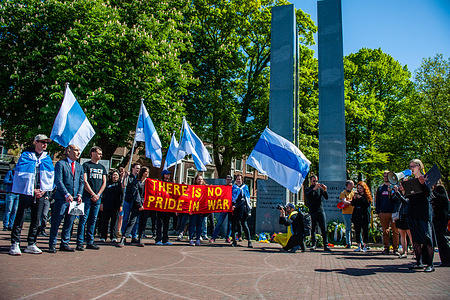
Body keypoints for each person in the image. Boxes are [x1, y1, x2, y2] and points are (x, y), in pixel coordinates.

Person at [9, 134, 54, 255]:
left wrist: (43, 190)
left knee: (36, 219)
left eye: (46, 143)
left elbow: (50, 176)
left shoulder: (47, 158)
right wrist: (32, 189)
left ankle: (31, 243)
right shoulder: (25, 156)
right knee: (20, 217)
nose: (44, 144)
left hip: (41, 193)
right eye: (42, 142)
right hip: (26, 192)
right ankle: (15, 243)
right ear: (35, 142)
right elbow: (20, 175)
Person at [395, 159, 435, 272]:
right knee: (416, 238)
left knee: (427, 237)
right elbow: (408, 198)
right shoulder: (411, 180)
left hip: (423, 212)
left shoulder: (425, 178)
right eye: (410, 166)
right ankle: (419, 262)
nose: (411, 168)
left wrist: (423, 184)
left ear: (419, 166)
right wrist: (402, 189)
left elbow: (428, 195)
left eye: (413, 166)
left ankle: (430, 264)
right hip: (412, 212)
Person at [48, 145, 84, 253]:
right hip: (62, 199)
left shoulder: (79, 166)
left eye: (79, 150)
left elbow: (81, 182)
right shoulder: (60, 164)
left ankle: (65, 243)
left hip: (74, 200)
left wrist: (79, 194)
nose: (78, 152)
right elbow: (58, 181)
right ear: (68, 151)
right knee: (57, 221)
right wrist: (66, 194)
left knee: (70, 222)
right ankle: (52, 244)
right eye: (76, 150)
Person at [76, 146, 106, 251]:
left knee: (93, 220)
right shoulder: (86, 165)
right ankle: (79, 242)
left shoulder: (102, 167)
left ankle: (90, 241)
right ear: (92, 153)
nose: (100, 155)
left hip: (98, 198)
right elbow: (84, 181)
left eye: (101, 153)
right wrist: (93, 194)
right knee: (83, 219)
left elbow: (104, 182)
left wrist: (98, 195)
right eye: (98, 153)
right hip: (87, 197)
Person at [117, 167, 148, 247]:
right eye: (146, 172)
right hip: (137, 205)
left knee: (142, 222)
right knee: (132, 221)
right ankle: (123, 238)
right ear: (143, 173)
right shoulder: (137, 182)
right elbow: (136, 194)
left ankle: (139, 238)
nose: (147, 173)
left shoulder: (147, 183)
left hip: (146, 205)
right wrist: (139, 204)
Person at [375, 171, 399, 255]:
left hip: (393, 212)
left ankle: (395, 249)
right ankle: (386, 247)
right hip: (383, 212)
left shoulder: (395, 187)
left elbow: (397, 199)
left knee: (395, 231)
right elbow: (377, 200)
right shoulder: (380, 188)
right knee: (385, 231)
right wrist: (378, 211)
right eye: (384, 176)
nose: (385, 177)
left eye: (387, 176)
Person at [305, 175, 331, 251]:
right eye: (314, 181)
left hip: (320, 210)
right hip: (312, 211)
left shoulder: (320, 189)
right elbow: (308, 196)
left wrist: (325, 190)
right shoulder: (308, 189)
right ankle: (313, 244)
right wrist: (313, 189)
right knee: (312, 228)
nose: (315, 183)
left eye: (316, 181)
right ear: (310, 181)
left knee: (323, 228)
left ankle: (325, 245)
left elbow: (326, 197)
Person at [99, 170, 123, 243]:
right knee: (104, 221)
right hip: (106, 205)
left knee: (114, 222)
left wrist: (121, 205)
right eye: (114, 175)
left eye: (116, 175)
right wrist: (101, 203)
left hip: (115, 206)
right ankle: (103, 236)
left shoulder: (120, 185)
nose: (115, 177)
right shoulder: (107, 184)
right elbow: (103, 194)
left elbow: (122, 196)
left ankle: (113, 236)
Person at [431, 180, 450, 267]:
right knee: (439, 239)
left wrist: (433, 192)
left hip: (441, 217)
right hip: (437, 217)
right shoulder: (436, 189)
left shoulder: (440, 188)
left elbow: (443, 199)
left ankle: (447, 259)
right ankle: (444, 260)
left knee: (442, 238)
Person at [231, 174, 253, 248]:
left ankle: (249, 241)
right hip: (235, 209)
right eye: (237, 179)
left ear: (242, 180)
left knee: (244, 224)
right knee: (234, 225)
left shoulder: (245, 187)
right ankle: (234, 240)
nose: (238, 180)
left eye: (239, 179)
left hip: (243, 209)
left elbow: (244, 199)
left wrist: (236, 205)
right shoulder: (233, 187)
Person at [121, 162, 141, 242]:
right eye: (137, 168)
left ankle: (134, 235)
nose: (138, 170)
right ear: (132, 168)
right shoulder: (129, 177)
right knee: (126, 218)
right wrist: (125, 176)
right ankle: (124, 235)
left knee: (135, 220)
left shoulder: (139, 178)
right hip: (128, 200)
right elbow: (124, 185)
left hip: (135, 201)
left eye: (139, 169)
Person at [210, 175, 233, 243]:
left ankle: (228, 237)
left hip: (230, 207)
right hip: (224, 207)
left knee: (230, 224)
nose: (228, 181)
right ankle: (214, 237)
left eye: (230, 179)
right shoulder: (223, 187)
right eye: (227, 179)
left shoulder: (233, 187)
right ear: (225, 180)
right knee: (219, 222)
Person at [392, 181, 413, 258]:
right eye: (399, 185)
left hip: (407, 215)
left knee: (410, 234)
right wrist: (393, 193)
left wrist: (398, 194)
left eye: (402, 185)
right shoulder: (397, 195)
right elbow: (392, 200)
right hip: (400, 215)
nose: (400, 186)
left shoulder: (409, 194)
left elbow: (405, 202)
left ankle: (415, 251)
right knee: (402, 234)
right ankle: (404, 251)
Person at [351, 181, 372, 252]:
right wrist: (354, 198)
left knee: (365, 230)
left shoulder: (367, 196)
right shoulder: (357, 195)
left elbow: (367, 204)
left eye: (361, 188)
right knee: (357, 230)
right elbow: (353, 204)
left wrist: (361, 198)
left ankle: (365, 245)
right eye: (358, 188)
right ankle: (359, 245)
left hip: (364, 215)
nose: (359, 190)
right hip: (357, 215)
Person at [154, 170, 172, 245]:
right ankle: (158, 239)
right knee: (159, 223)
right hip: (160, 206)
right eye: (166, 174)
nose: (168, 176)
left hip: (168, 207)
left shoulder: (171, 184)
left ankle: (165, 239)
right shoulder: (159, 183)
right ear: (163, 175)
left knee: (166, 223)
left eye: (169, 174)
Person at [189, 174, 206, 246]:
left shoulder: (205, 188)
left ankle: (198, 238)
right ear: (195, 180)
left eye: (201, 179)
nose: (200, 181)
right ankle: (191, 239)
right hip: (194, 209)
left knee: (199, 225)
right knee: (192, 224)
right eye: (199, 179)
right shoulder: (192, 188)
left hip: (201, 210)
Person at [3, 163, 19, 231]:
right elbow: (5, 181)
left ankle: (11, 225)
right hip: (10, 193)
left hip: (17, 194)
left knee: (15, 210)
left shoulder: (20, 174)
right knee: (8, 210)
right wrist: (13, 182)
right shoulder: (10, 173)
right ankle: (5, 225)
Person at [340, 180, 355, 248]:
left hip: (354, 212)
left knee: (356, 228)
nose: (353, 186)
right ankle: (348, 243)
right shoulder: (343, 193)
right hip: (346, 213)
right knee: (348, 228)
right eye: (352, 184)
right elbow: (344, 202)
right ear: (348, 185)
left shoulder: (353, 193)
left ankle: (359, 242)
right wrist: (352, 202)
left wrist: (349, 201)